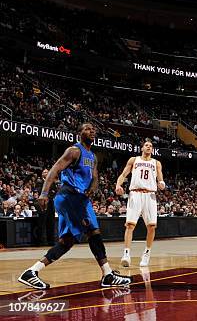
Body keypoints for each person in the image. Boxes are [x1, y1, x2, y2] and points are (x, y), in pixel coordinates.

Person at [18, 123, 131, 289]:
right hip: (70, 196)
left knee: (67, 241)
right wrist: (43, 193)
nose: (92, 130)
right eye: (87, 128)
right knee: (93, 231)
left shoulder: (92, 156)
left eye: (94, 129)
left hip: (78, 199)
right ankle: (107, 275)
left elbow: (95, 177)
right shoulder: (74, 151)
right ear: (79, 133)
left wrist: (93, 188)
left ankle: (31, 272)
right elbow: (55, 169)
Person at [115, 139, 165, 267]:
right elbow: (123, 174)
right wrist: (118, 185)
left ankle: (147, 253)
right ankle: (126, 254)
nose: (149, 147)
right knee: (130, 225)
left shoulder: (156, 163)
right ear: (142, 148)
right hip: (135, 194)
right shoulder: (134, 160)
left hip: (150, 195)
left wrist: (161, 184)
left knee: (152, 226)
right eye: (146, 145)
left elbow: (160, 179)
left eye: (151, 146)